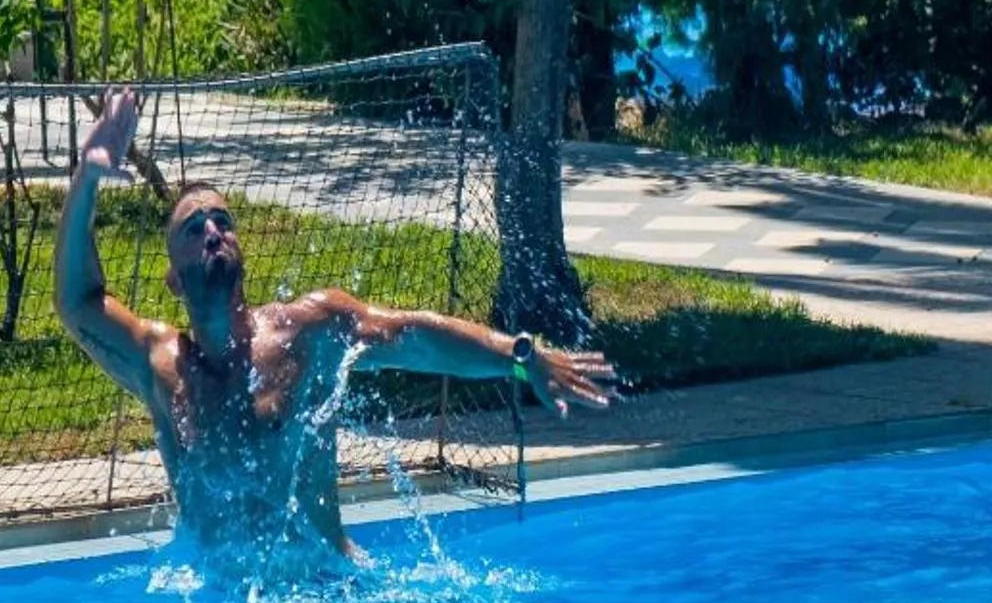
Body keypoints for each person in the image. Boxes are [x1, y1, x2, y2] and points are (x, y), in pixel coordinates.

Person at [53, 86, 617, 566]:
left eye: (223, 221)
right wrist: (89, 176)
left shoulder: (306, 332)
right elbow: (78, 304)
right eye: (194, 227)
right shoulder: (160, 363)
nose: (213, 231)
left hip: (325, 589)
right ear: (173, 279)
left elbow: (411, 336)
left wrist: (519, 355)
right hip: (216, 600)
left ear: (242, 251)